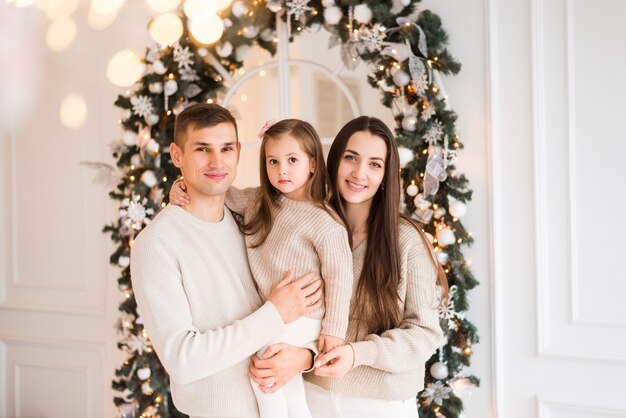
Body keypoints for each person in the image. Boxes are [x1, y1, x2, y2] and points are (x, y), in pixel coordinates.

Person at [130, 103, 323, 418]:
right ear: (177, 155)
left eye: (227, 149)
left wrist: (305, 356)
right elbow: (183, 359)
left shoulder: (250, 218)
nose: (217, 162)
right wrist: (274, 314)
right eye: (202, 149)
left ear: (238, 153)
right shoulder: (156, 244)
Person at [249, 116, 447, 418]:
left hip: (382, 406)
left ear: (386, 175)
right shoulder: (310, 225)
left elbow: (424, 334)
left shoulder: (405, 240)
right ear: (332, 160)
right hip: (314, 400)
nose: (359, 173)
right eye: (351, 158)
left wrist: (357, 354)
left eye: (375, 164)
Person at [169, 118, 353, 418]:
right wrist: (180, 184)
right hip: (278, 314)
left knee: (264, 372)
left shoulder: (324, 222)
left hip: (304, 317)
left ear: (312, 164)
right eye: (273, 161)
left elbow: (340, 279)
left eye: (292, 160)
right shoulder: (259, 202)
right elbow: (217, 188)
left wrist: (334, 332)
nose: (281, 169)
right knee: (286, 386)